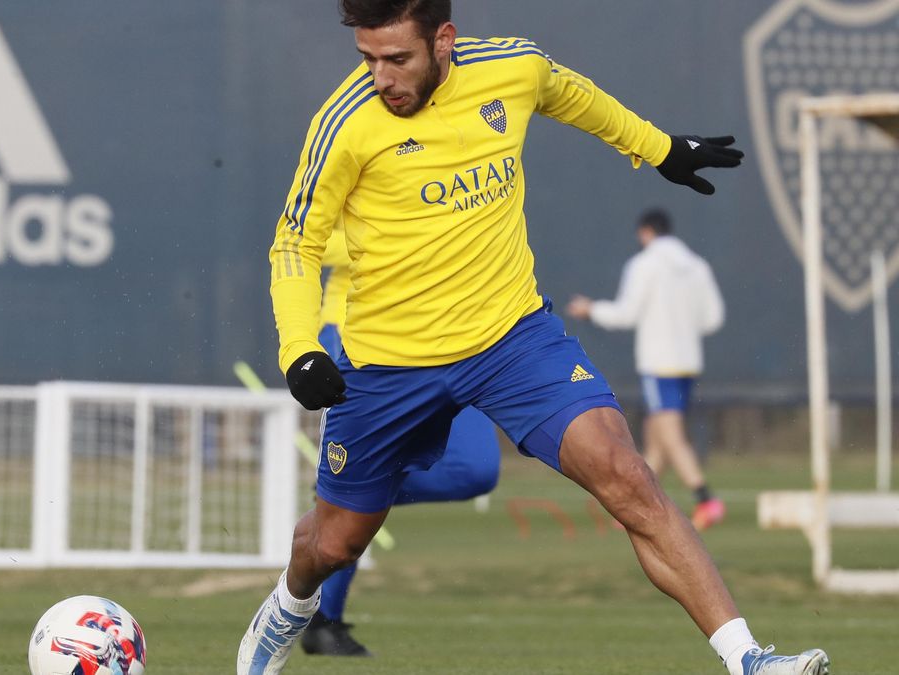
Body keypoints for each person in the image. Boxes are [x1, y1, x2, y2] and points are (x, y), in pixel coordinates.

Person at [237, 2, 829, 674]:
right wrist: (300, 348)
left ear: (444, 41)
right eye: (367, 59)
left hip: (511, 338)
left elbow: (571, 94)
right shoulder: (343, 124)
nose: (381, 77)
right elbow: (294, 243)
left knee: (627, 474)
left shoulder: (512, 67)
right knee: (334, 542)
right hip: (388, 361)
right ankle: (289, 604)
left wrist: (659, 148)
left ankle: (749, 657)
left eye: (397, 58)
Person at [302, 224, 501, 657]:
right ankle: (323, 620)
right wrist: (405, 233)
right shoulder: (350, 156)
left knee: (479, 469)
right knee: (365, 484)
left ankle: (344, 493)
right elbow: (308, 240)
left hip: (453, 336)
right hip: (362, 333)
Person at [567, 208, 727, 530]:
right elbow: (713, 318)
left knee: (670, 435)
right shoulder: (697, 266)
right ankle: (633, 506)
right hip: (687, 362)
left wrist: (590, 310)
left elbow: (626, 313)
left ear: (645, 233)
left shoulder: (644, 265)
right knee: (656, 442)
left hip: (659, 362)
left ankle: (706, 499)